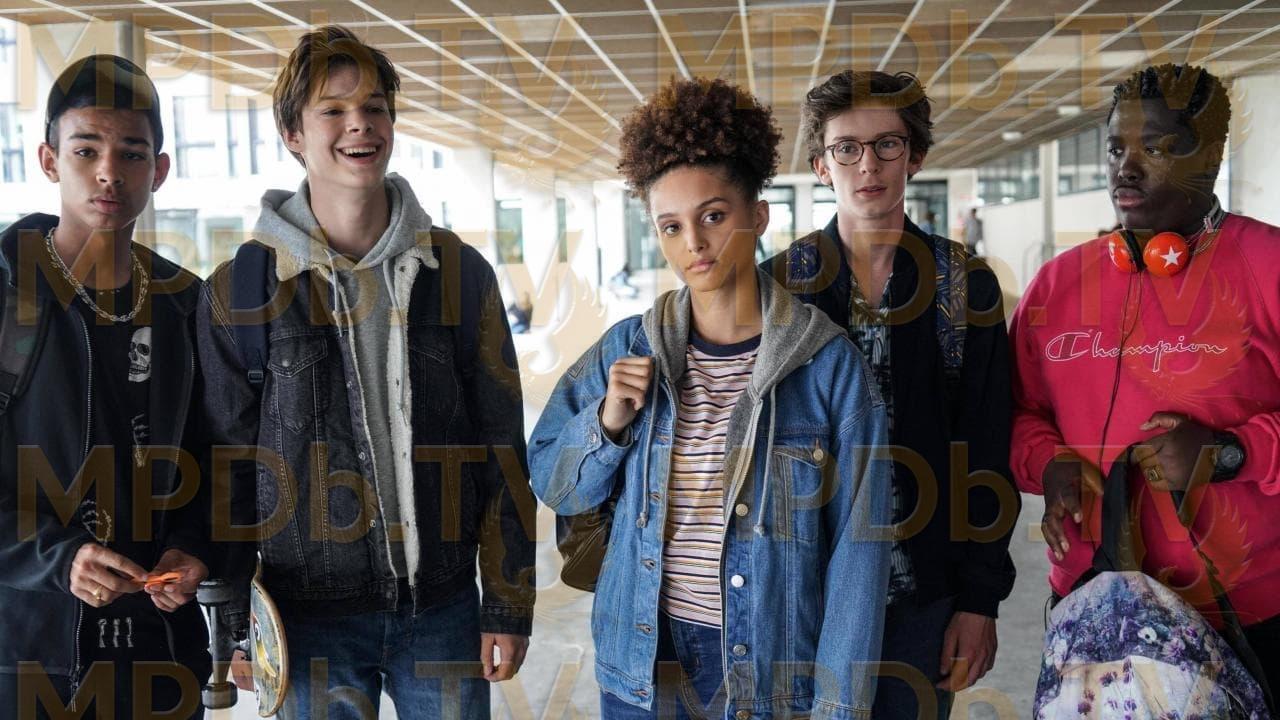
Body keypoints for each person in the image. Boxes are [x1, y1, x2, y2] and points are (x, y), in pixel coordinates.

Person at [196, 26, 535, 719]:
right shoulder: (241, 290)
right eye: (334, 110)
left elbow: (502, 445)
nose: (360, 124)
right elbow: (227, 468)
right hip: (306, 622)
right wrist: (234, 624)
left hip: (442, 608)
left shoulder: (458, 273)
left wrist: (507, 599)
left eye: (375, 107)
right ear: (293, 134)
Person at [530, 76, 892, 720]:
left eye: (714, 216)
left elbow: (858, 556)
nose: (693, 244)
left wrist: (838, 707)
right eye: (671, 226)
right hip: (642, 665)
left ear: (759, 217)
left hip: (767, 671)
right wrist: (606, 425)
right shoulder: (628, 349)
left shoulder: (829, 366)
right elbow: (555, 483)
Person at [1011, 63, 1280, 687]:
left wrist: (1232, 452)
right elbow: (1018, 410)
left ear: (1209, 157)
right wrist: (1048, 463)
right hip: (1093, 605)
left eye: (1155, 148)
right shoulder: (1058, 284)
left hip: (1248, 612)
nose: (1125, 169)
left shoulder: (1268, 265)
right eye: (1115, 149)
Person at [763, 70, 1017, 719]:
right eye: (846, 148)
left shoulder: (964, 286)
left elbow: (987, 449)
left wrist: (979, 601)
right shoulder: (778, 289)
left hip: (921, 601)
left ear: (916, 155)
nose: (868, 164)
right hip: (801, 597)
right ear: (821, 166)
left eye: (887, 144)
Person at [0, 55, 217, 718]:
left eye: (131, 153)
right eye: (86, 149)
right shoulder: (8, 297)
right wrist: (57, 559)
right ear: (48, 160)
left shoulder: (187, 305)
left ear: (159, 170)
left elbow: (219, 461)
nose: (108, 172)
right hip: (25, 654)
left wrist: (196, 550)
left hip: (159, 653)